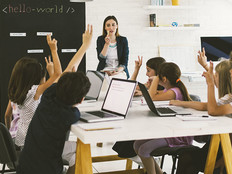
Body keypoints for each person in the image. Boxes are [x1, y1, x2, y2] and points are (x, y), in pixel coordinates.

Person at [16, 25, 92, 174]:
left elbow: (69, 71)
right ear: (81, 100)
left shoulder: (48, 96)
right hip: (47, 170)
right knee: (81, 151)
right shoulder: (71, 115)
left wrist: (85, 46)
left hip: (25, 165)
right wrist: (85, 45)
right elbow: (68, 72)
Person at [133, 62, 192, 174]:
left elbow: (152, 97)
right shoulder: (168, 90)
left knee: (144, 149)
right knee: (137, 144)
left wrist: (155, 80)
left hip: (178, 135)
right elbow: (152, 94)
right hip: (168, 131)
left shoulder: (174, 92)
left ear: (163, 79)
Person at [175, 61, 232, 174]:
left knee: (187, 159)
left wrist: (210, 84)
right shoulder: (228, 97)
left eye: (216, 76)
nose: (214, 78)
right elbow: (206, 106)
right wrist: (181, 103)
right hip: (221, 144)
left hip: (225, 148)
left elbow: (212, 110)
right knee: (185, 158)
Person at [8, 34, 62, 149]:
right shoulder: (33, 92)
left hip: (20, 139)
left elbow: (7, 115)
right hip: (33, 141)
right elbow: (58, 74)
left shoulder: (16, 91)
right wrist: (54, 50)